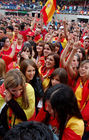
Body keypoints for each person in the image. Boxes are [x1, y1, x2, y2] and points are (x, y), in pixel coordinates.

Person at [0, 69, 35, 136]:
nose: (18, 93)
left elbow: (24, 116)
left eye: (20, 89)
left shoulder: (29, 89)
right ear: (7, 88)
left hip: (23, 130)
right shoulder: (2, 92)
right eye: (13, 91)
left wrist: (11, 101)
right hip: (7, 130)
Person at [74, 60, 89, 140]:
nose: (82, 69)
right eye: (81, 67)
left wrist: (82, 118)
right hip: (74, 114)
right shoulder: (78, 80)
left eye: (86, 68)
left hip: (83, 119)